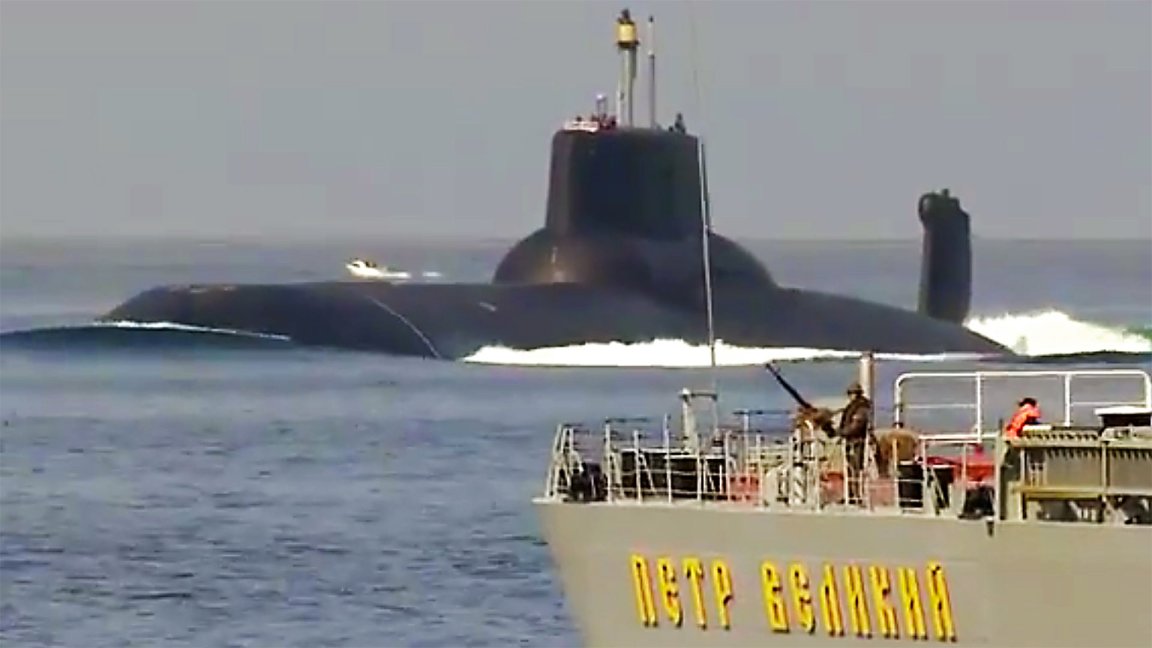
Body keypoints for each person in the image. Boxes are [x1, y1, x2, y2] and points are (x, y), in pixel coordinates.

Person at [839, 382, 873, 504]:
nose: (851, 396)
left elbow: (857, 425)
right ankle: (850, 494)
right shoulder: (852, 407)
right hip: (851, 442)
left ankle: (857, 495)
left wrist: (842, 432)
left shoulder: (862, 408)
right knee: (850, 469)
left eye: (852, 393)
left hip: (858, 442)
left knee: (856, 468)